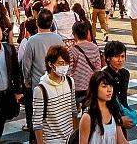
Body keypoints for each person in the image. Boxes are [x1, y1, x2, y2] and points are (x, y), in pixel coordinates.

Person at [21, 9, 66, 138]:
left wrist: (27, 80)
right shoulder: (58, 38)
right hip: (56, 81)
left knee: (38, 117)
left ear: (37, 22)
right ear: (51, 22)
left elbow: (26, 64)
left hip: (38, 83)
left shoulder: (32, 41)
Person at [33, 45, 78, 144]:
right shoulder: (41, 89)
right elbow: (37, 123)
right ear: (50, 64)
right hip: (51, 140)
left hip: (69, 138)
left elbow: (73, 110)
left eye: (66, 63)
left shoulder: (70, 82)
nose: (64, 67)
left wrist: (75, 136)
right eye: (61, 63)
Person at [77, 71, 129, 144]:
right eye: (104, 86)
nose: (109, 90)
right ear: (95, 88)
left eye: (111, 86)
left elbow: (121, 140)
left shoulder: (113, 111)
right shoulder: (88, 117)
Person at [69, 21, 102, 107]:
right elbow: (98, 68)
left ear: (74, 34)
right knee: (88, 112)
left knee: (74, 112)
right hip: (90, 87)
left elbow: (69, 70)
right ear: (87, 33)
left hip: (76, 88)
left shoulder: (72, 50)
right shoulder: (95, 48)